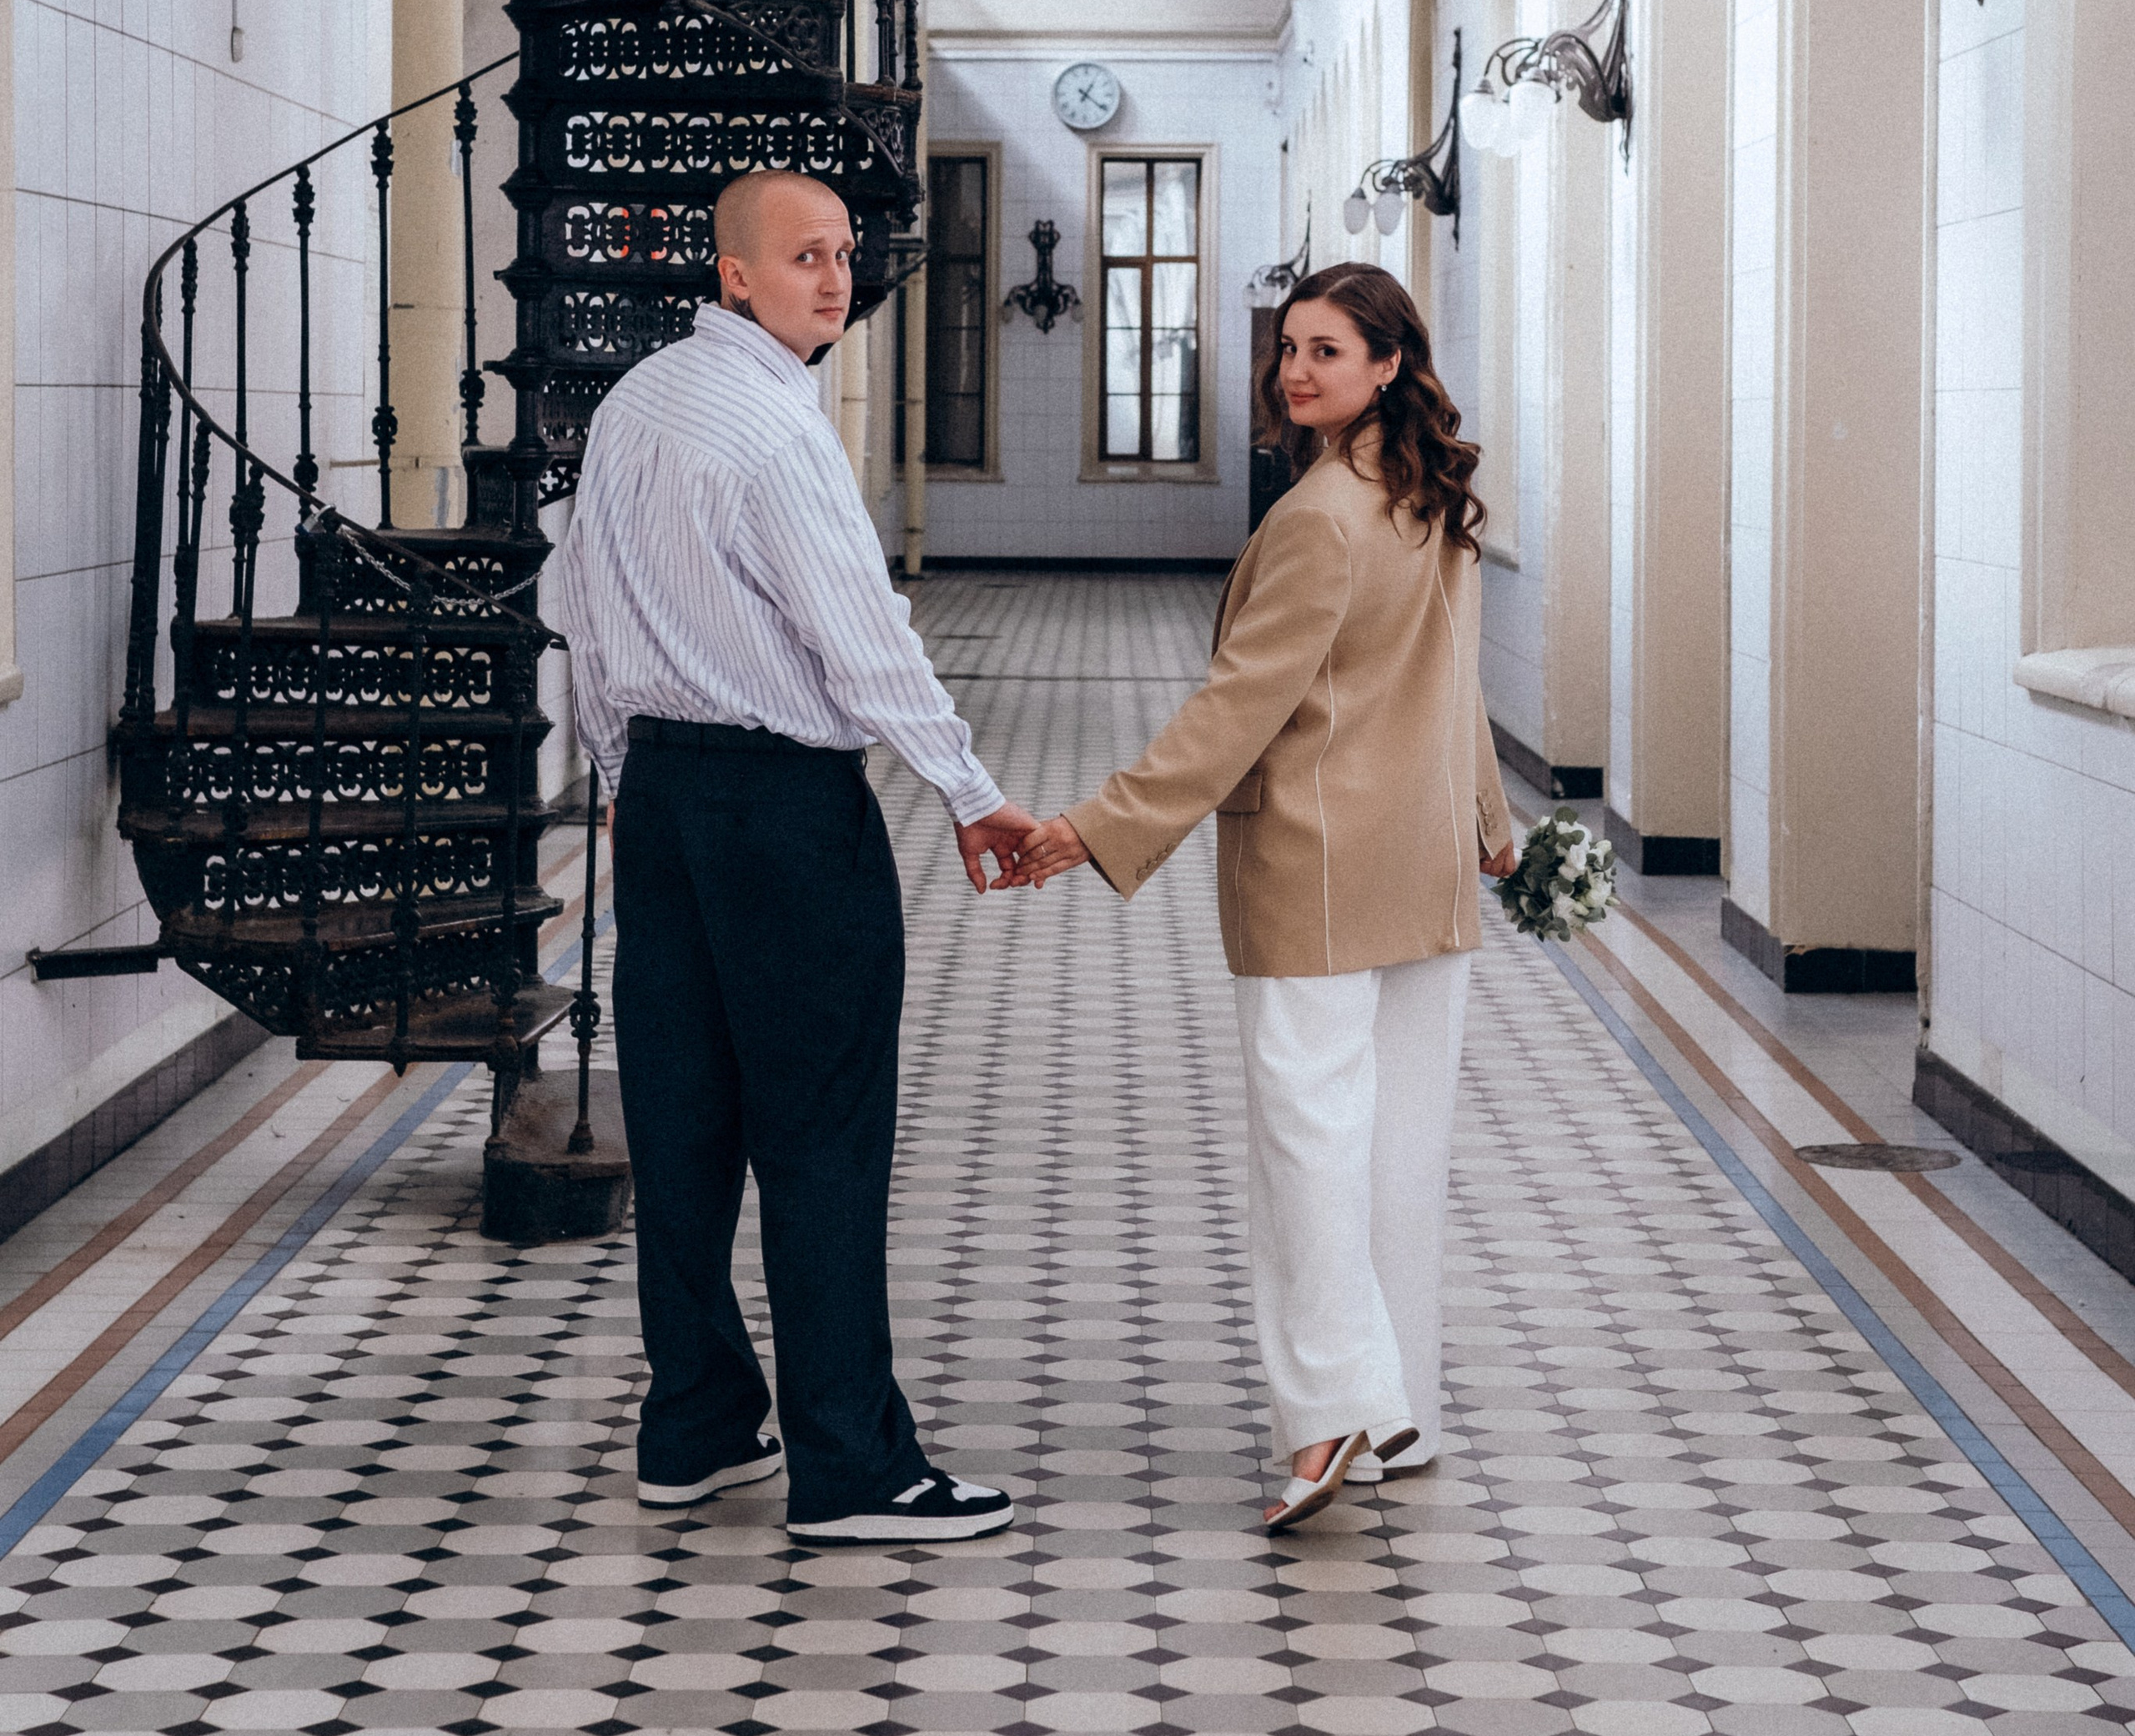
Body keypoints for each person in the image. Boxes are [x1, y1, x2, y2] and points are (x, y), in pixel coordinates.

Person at [553, 168, 1036, 1543]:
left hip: (662, 805)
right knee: (821, 1131)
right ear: (736, 277)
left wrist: (611, 774)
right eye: (803, 256)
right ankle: (851, 1465)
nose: (835, 276)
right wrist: (968, 788)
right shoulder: (773, 432)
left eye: (843, 253)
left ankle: (695, 1425)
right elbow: (858, 636)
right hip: (781, 811)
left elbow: (582, 606)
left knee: (685, 1123)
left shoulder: (637, 404)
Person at [1007, 263, 1518, 1533]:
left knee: (1309, 1152)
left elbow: (1237, 710)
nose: (1296, 371)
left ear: (1388, 363)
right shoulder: (1431, 499)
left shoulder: (1319, 519)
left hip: (1321, 874)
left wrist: (1096, 826)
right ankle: (1403, 1414)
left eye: (1328, 350)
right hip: (1425, 875)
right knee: (1394, 1153)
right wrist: (1491, 826)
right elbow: (1460, 682)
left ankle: (1333, 1411)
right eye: (1289, 347)